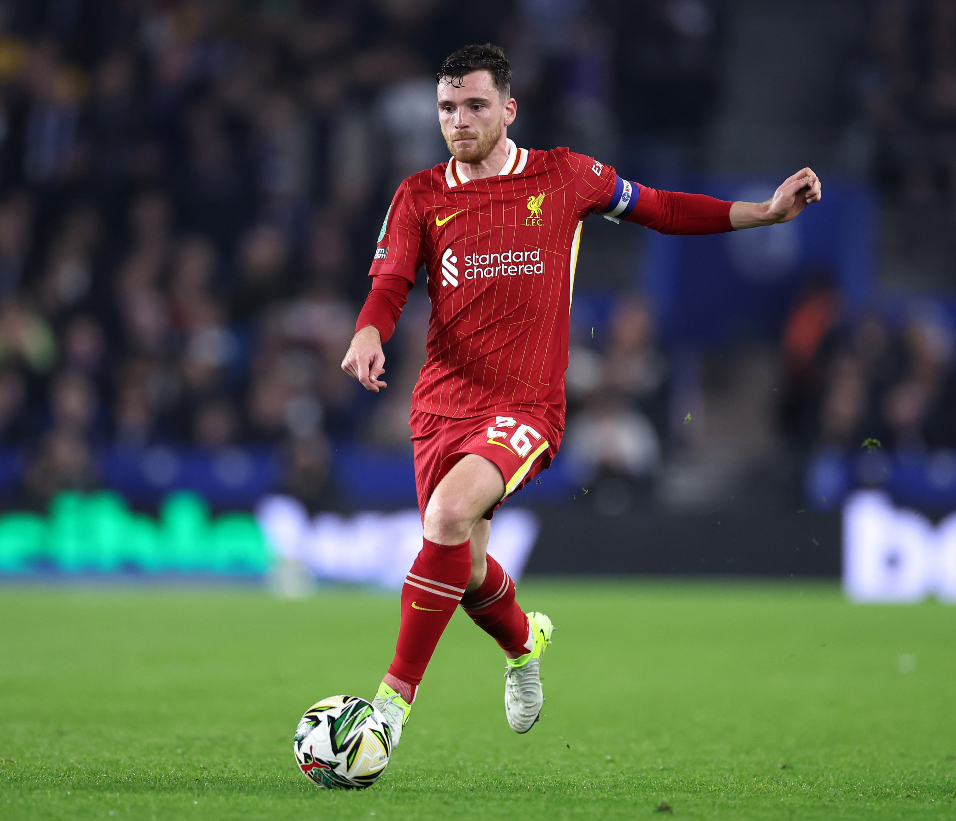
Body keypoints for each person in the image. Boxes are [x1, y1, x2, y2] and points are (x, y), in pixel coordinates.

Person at [340, 44, 822, 751]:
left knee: (445, 516)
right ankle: (524, 643)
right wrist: (368, 333)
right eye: (447, 108)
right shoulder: (420, 194)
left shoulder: (563, 175)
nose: (459, 120)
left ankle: (389, 704)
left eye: (475, 105)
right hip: (441, 405)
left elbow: (658, 207)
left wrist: (764, 212)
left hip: (526, 404)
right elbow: (388, 284)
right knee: (467, 569)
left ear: (509, 108)